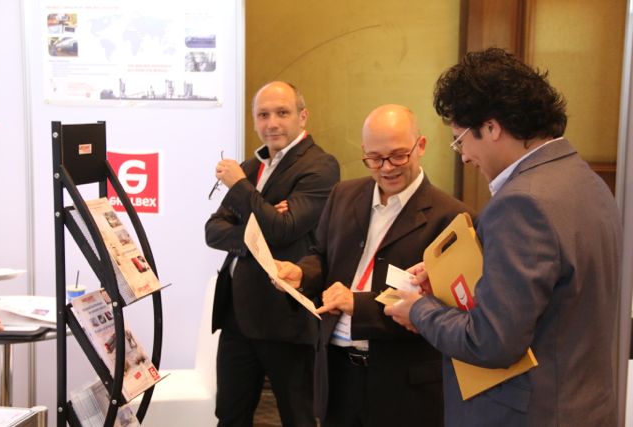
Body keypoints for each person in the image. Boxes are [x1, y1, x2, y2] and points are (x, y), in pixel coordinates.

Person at [384, 47, 622, 426]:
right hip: (584, 405)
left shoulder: (521, 202)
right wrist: (445, 277)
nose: (464, 156)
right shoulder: (585, 180)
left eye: (460, 139)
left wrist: (420, 310)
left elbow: (491, 341)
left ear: (492, 127)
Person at [276, 104, 472, 427]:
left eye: (398, 156)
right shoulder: (343, 195)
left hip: (403, 385)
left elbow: (446, 310)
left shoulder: (451, 217)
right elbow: (322, 255)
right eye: (375, 158)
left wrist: (359, 305)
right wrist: (301, 273)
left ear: (420, 146)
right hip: (338, 372)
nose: (387, 168)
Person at [205, 81, 340, 427]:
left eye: (282, 113)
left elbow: (284, 229)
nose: (272, 123)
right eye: (263, 115)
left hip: (285, 317)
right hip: (236, 315)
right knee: (230, 416)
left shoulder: (320, 165)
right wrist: (263, 218)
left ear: (302, 116)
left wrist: (240, 189)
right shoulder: (252, 165)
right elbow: (213, 230)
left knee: (298, 417)